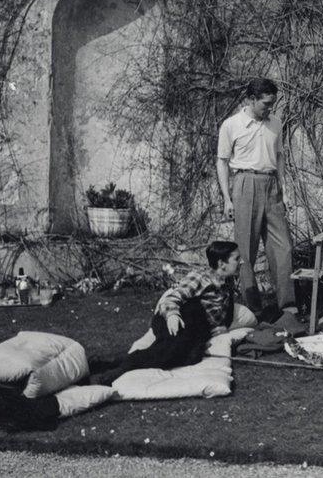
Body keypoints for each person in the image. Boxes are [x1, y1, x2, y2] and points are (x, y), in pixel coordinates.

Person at [92, 241, 243, 386]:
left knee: (191, 357)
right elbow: (171, 298)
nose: (241, 262)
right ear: (222, 264)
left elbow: (223, 313)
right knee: (171, 350)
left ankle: (111, 362)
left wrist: (224, 328)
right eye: (237, 259)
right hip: (174, 319)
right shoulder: (200, 278)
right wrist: (172, 316)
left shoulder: (226, 284)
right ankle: (114, 374)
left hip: (193, 329)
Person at [217, 78, 294, 312]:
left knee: (284, 248)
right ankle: (253, 309)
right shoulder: (231, 125)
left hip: (272, 185)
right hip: (245, 184)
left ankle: (288, 308)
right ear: (251, 100)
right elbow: (222, 162)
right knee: (245, 250)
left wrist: (285, 189)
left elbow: (279, 157)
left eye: (272, 104)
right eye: (265, 104)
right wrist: (227, 198)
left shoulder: (276, 123)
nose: (269, 108)